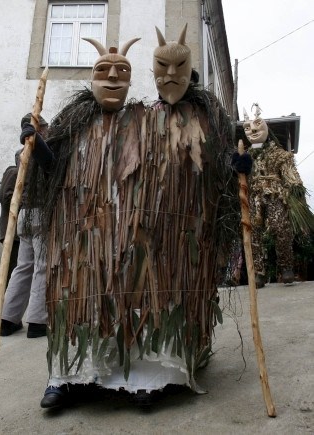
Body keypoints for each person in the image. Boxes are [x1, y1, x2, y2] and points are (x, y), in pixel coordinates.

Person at [23, 26, 241, 410]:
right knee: (82, 302)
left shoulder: (143, 119)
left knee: (145, 300)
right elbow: (52, 166)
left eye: (122, 72)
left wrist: (239, 160)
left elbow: (208, 158)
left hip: (146, 232)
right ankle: (68, 377)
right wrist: (35, 143)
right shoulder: (75, 122)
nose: (112, 78)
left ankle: (150, 378)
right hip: (81, 237)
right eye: (103, 71)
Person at [242, 104, 313, 287]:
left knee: (280, 227)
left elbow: (290, 174)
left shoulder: (279, 155)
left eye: (257, 125)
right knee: (254, 231)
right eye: (248, 128)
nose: (253, 131)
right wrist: (238, 166)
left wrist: (295, 188)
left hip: (275, 193)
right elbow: (240, 177)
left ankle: (286, 267)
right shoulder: (246, 156)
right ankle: (259, 272)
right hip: (254, 197)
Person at [0, 114, 49, 339]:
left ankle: (8, 319)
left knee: (23, 267)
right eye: (45, 127)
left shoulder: (20, 155)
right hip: (39, 213)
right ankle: (38, 321)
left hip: (24, 215)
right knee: (41, 266)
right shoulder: (37, 151)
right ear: (40, 129)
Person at [0, 149, 23, 301]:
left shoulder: (20, 174)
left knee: (10, 264)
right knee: (9, 265)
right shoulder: (13, 172)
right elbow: (6, 197)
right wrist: (24, 202)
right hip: (11, 229)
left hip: (15, 229)